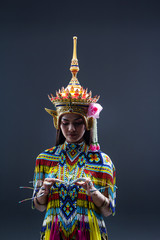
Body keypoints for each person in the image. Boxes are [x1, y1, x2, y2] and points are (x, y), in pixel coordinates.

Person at [32, 37, 116, 240]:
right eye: (65, 123)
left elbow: (109, 210)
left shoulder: (103, 162)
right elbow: (38, 206)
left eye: (77, 123)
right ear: (57, 124)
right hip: (54, 233)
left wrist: (93, 191)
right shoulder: (44, 159)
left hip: (89, 233)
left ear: (87, 124)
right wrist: (43, 190)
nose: (71, 129)